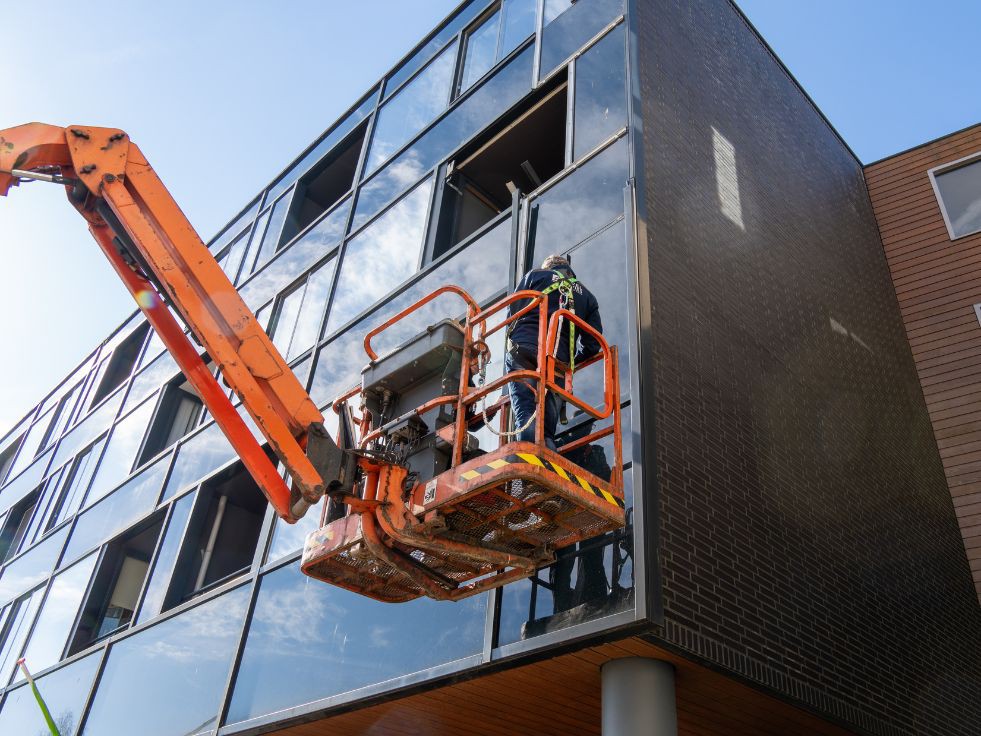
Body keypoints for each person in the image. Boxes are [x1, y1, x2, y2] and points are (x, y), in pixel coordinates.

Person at [504, 254, 603, 448]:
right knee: (547, 432)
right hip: (558, 364)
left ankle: (525, 464)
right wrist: (572, 361)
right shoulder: (588, 297)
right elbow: (593, 344)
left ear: (549, 267)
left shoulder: (535, 276)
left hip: (524, 350)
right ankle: (546, 461)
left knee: (526, 416)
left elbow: (512, 313)